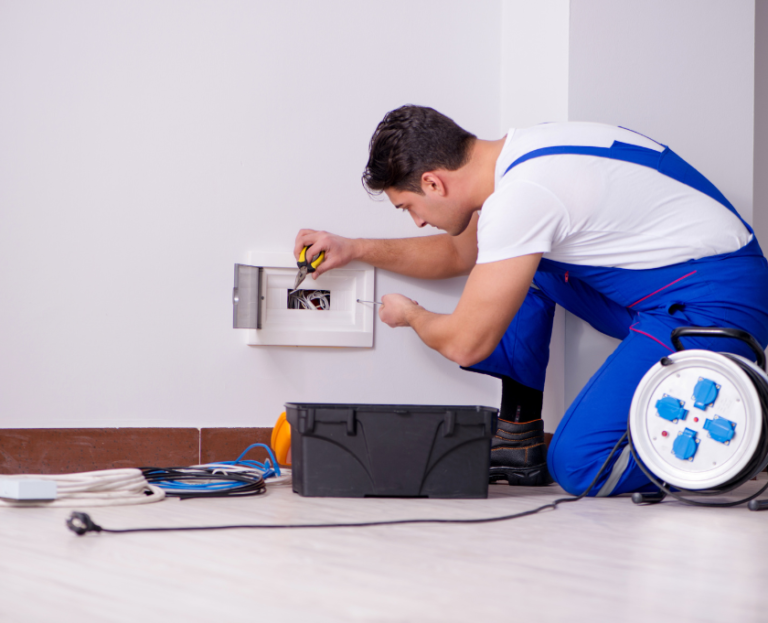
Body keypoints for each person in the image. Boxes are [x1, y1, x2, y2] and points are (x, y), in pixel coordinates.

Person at [294, 105, 768, 496]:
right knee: (522, 267)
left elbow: (466, 344)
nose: (416, 221)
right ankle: (518, 436)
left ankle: (749, 444)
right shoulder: (522, 157)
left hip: (715, 303)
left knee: (582, 466)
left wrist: (413, 316)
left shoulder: (523, 197)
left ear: (434, 183)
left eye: (409, 207)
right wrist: (353, 248)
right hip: (673, 286)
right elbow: (464, 253)